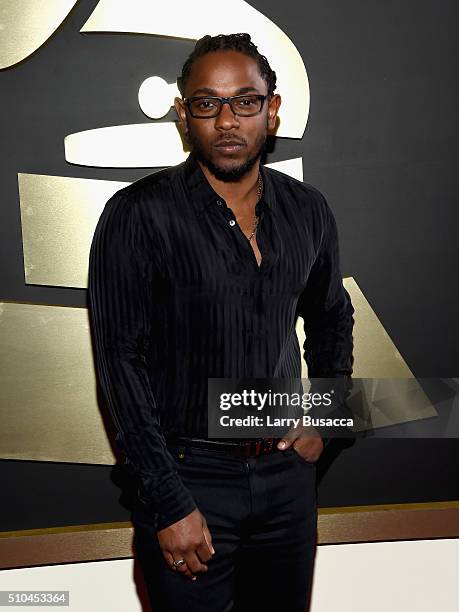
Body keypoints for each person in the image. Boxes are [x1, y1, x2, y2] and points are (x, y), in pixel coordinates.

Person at [88, 33, 354, 612]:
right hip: (190, 479)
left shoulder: (309, 210)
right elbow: (120, 365)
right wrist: (168, 502)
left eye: (246, 101)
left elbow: (332, 316)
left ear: (273, 109)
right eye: (208, 104)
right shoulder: (137, 214)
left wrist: (325, 420)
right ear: (184, 114)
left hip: (287, 480)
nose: (227, 120)